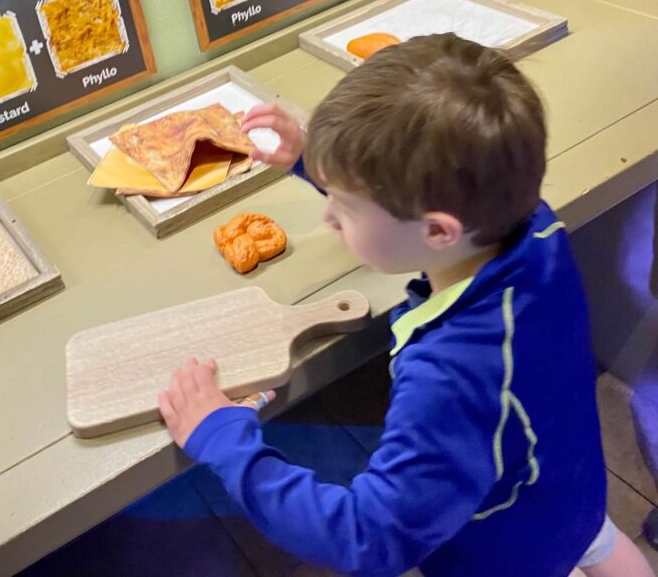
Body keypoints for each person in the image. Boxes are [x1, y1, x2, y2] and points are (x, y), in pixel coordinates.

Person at [158, 34, 654, 577]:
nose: (328, 219)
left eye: (343, 207)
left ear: (439, 230)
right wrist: (318, 162)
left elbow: (366, 538)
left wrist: (222, 437)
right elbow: (416, 200)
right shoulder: (531, 225)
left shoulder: (452, 378)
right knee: (591, 541)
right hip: (564, 487)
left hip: (502, 550)